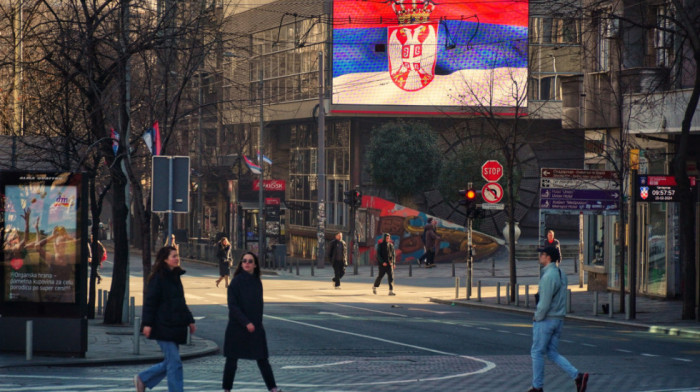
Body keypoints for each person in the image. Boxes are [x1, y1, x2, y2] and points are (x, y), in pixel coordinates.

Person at [134, 246, 196, 392]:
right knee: (175, 362)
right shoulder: (158, 278)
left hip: (175, 326)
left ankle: (143, 378)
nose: (177, 258)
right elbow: (150, 302)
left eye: (177, 255)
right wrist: (147, 324)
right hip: (162, 326)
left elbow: (180, 302)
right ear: (165, 259)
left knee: (171, 361)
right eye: (173, 256)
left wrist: (190, 320)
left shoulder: (175, 276)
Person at [528, 246, 588, 392]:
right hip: (559, 319)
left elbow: (545, 301)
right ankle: (577, 376)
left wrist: (537, 317)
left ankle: (537, 387)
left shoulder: (548, 276)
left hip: (547, 319)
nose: (540, 256)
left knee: (536, 352)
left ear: (548, 257)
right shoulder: (562, 274)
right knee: (552, 353)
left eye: (542, 254)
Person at [222, 252, 283, 392]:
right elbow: (233, 306)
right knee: (231, 360)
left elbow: (258, 306)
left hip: (254, 327)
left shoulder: (257, 281)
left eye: (250, 261)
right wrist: (245, 322)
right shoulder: (236, 282)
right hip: (237, 327)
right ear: (241, 264)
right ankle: (226, 389)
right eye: (244, 261)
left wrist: (256, 324)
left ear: (255, 265)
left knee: (262, 358)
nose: (247, 263)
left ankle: (273, 388)